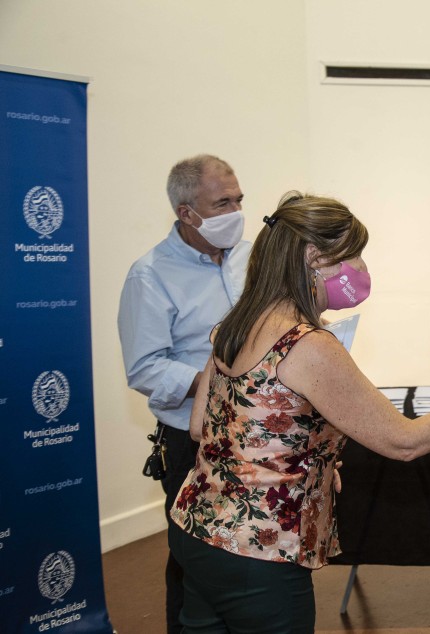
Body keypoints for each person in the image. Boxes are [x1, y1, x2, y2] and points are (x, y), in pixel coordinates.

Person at [168, 192, 430, 633]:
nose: (361, 270)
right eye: (353, 256)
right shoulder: (307, 345)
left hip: (196, 528)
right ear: (315, 258)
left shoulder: (236, 323)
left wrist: (306, 455)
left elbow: (201, 425)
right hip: (259, 551)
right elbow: (403, 441)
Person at [118, 154, 249, 634]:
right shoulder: (149, 275)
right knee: (195, 560)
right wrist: (215, 381)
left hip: (258, 435)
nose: (236, 211)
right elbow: (145, 367)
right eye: (222, 203)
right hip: (192, 445)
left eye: (239, 199)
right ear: (186, 212)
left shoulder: (252, 257)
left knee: (253, 554)